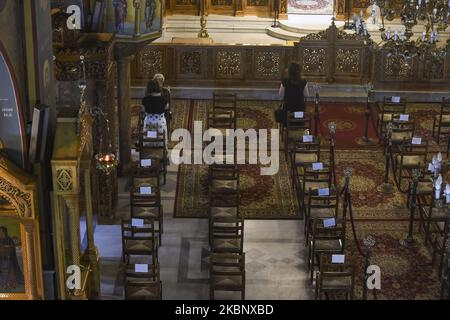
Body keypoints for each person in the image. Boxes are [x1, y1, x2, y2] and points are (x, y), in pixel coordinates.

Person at [142, 79, 168, 147]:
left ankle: (149, 147)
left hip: (149, 122)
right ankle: (161, 146)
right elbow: (166, 108)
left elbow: (143, 110)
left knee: (151, 137)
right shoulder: (163, 99)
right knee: (160, 137)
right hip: (160, 123)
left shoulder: (146, 99)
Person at [0, 226, 23, 291]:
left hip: (9, 259)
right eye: (0, 231)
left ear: (4, 231)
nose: (0, 232)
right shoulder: (0, 239)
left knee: (9, 272)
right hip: (2, 259)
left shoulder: (9, 239)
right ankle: (4, 284)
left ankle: (10, 284)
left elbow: (12, 248)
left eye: (1, 231)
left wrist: (7, 247)